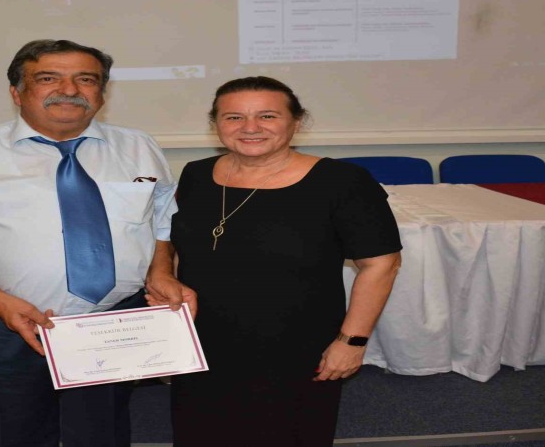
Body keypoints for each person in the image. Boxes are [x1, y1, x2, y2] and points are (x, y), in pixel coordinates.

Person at [0, 39, 195, 447]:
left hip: (112, 321)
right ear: (17, 92)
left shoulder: (139, 147)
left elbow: (161, 218)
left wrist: (160, 270)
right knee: (20, 432)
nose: (69, 90)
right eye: (48, 78)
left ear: (102, 93)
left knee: (103, 431)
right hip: (9, 320)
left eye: (86, 79)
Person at [158, 76, 402, 446]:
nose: (250, 127)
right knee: (200, 433)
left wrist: (351, 341)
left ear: (296, 122)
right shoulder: (196, 174)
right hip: (204, 342)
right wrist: (163, 276)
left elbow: (382, 264)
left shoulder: (343, 182)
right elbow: (170, 239)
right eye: (234, 117)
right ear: (215, 124)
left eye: (267, 116)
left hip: (295, 349)